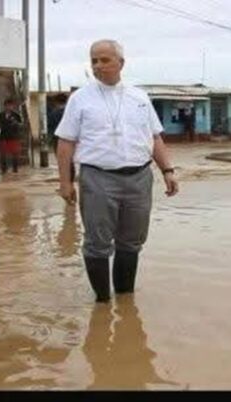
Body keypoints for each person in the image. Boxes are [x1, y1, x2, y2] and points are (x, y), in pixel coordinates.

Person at [55, 39, 179, 303]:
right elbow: (65, 143)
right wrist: (65, 182)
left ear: (121, 63)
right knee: (97, 242)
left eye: (104, 60)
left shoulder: (139, 97)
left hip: (139, 178)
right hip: (98, 178)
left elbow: (155, 138)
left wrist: (167, 170)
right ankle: (102, 301)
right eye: (94, 61)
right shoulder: (80, 98)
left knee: (131, 241)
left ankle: (125, 299)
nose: (98, 65)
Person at [47, 93, 74, 183]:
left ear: (56, 102)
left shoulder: (54, 113)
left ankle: (66, 181)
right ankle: (71, 180)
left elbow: (50, 126)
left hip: (58, 138)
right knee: (71, 160)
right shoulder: (71, 111)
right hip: (71, 138)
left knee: (62, 160)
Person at [0, 99, 23, 174]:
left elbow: (21, 125)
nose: (9, 107)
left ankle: (15, 169)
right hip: (3, 136)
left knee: (15, 153)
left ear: (13, 106)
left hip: (13, 136)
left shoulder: (16, 115)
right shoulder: (0, 115)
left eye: (10, 105)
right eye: (7, 105)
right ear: (4, 106)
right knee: (3, 154)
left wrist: (16, 123)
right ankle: (4, 170)